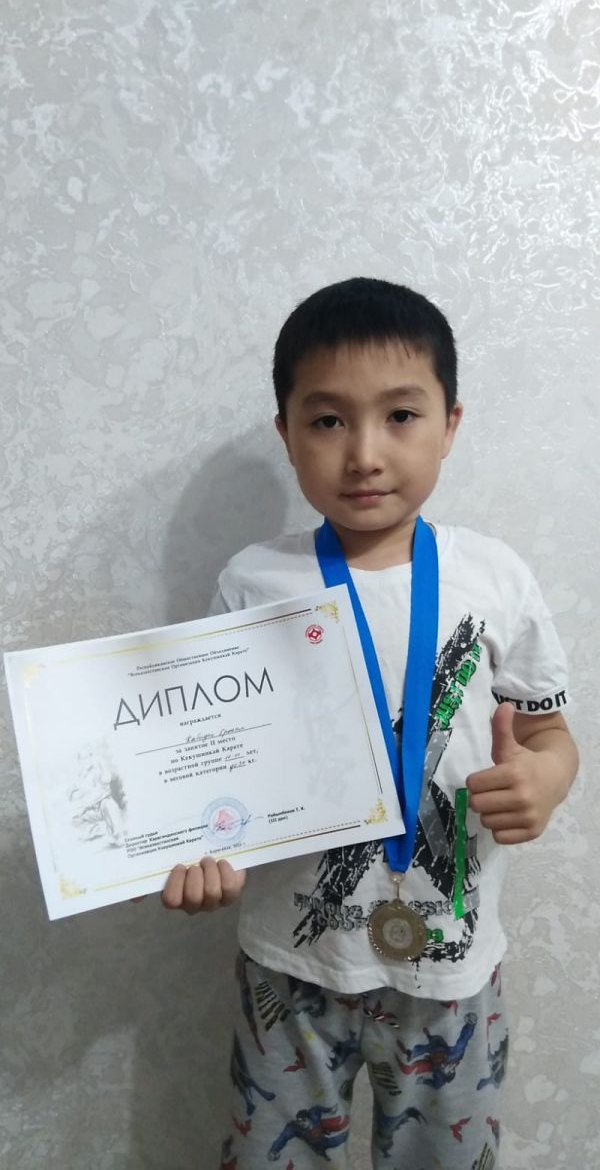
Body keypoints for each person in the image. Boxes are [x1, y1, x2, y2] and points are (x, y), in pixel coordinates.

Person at [161, 278, 578, 1169]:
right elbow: (212, 756)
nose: (364, 454)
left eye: (400, 416)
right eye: (327, 421)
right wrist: (202, 847)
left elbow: (550, 733)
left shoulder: (495, 576)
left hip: (452, 966)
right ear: (286, 433)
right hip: (290, 964)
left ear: (450, 425)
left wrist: (544, 779)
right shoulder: (254, 581)